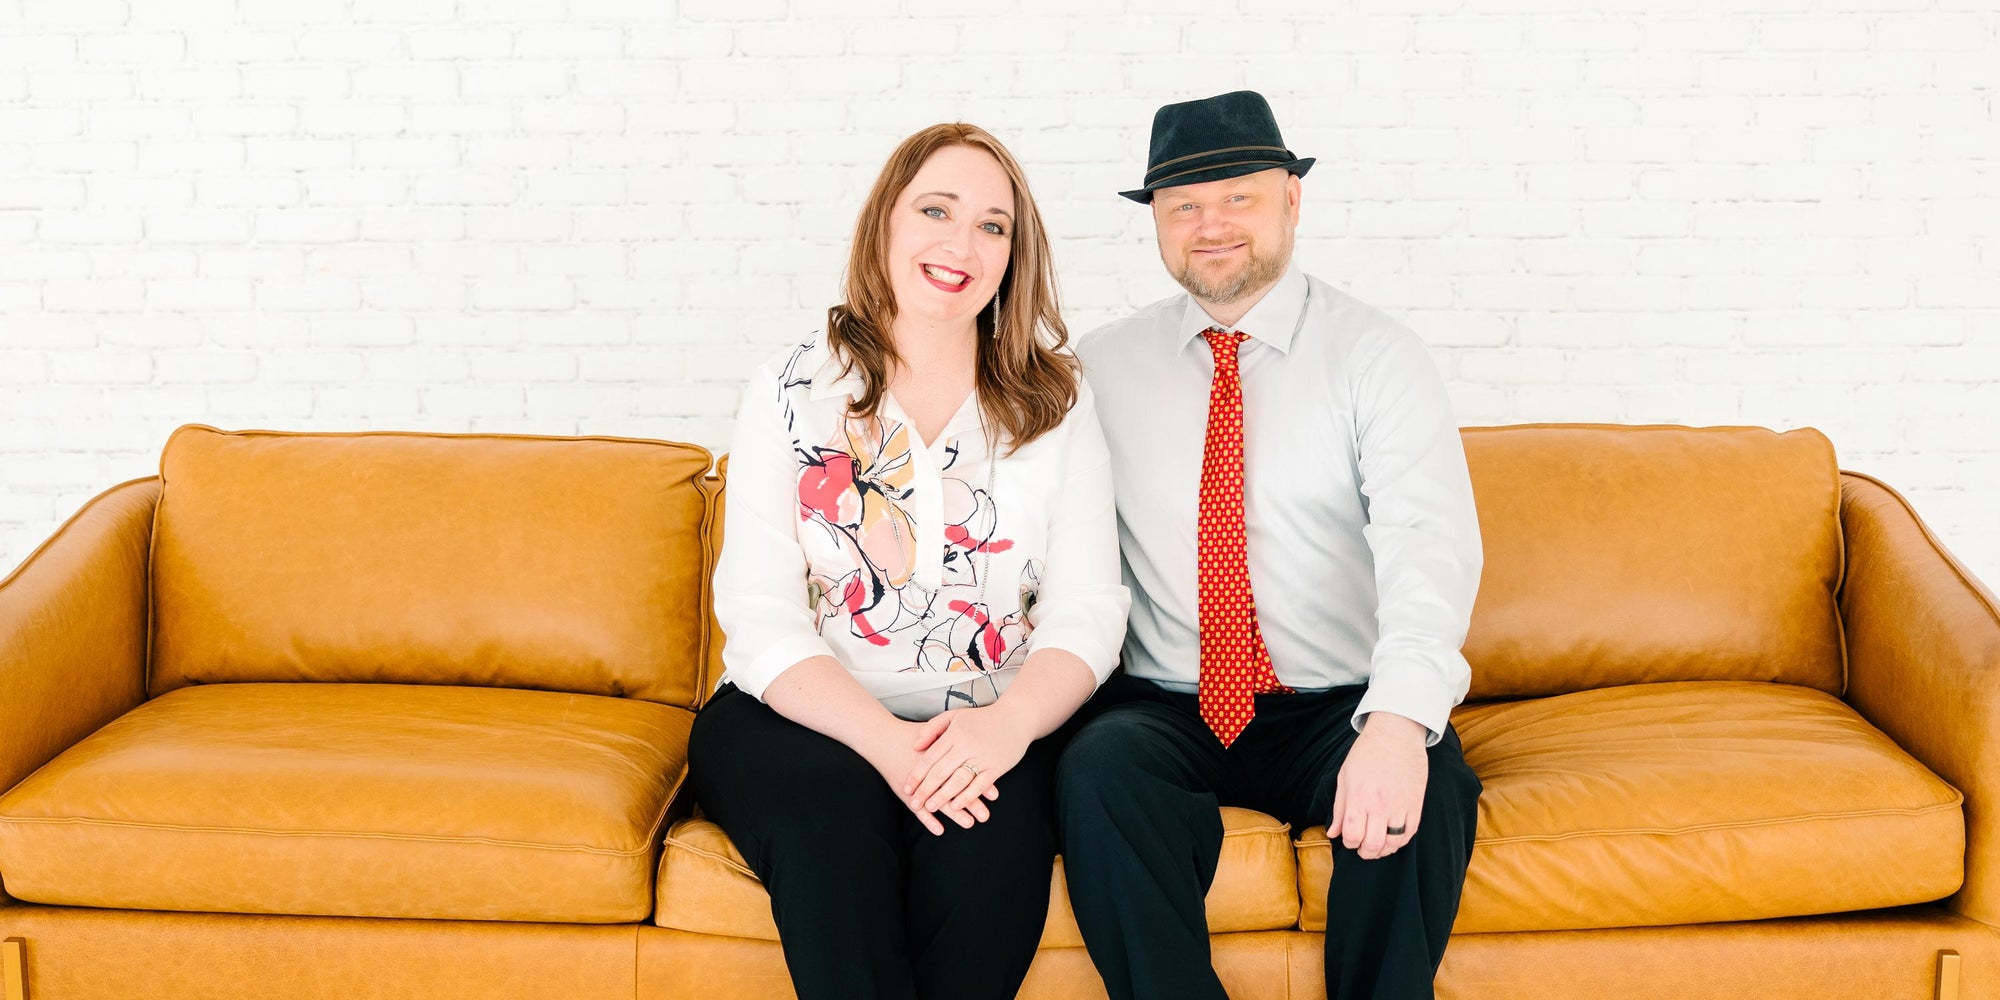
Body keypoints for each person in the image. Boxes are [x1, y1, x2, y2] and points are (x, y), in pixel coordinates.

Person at [687, 122, 1130, 1000]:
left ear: (1015, 255)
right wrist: (891, 749)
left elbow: (1090, 607)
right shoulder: (790, 387)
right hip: (800, 722)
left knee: (988, 873)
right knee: (833, 836)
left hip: (993, 721)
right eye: (937, 209)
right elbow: (760, 613)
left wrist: (1003, 732)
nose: (961, 244)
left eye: (993, 226)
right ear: (885, 221)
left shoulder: (1056, 400)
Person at [1058, 90, 1486, 1000]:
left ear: (1293, 200)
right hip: (1167, 701)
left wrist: (1399, 720)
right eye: (1183, 206)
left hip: (1333, 704)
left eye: (1238, 198)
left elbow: (1428, 543)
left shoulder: (1377, 355)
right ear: (1158, 227)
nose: (1210, 225)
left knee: (1429, 793)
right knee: (1098, 771)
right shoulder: (1100, 367)